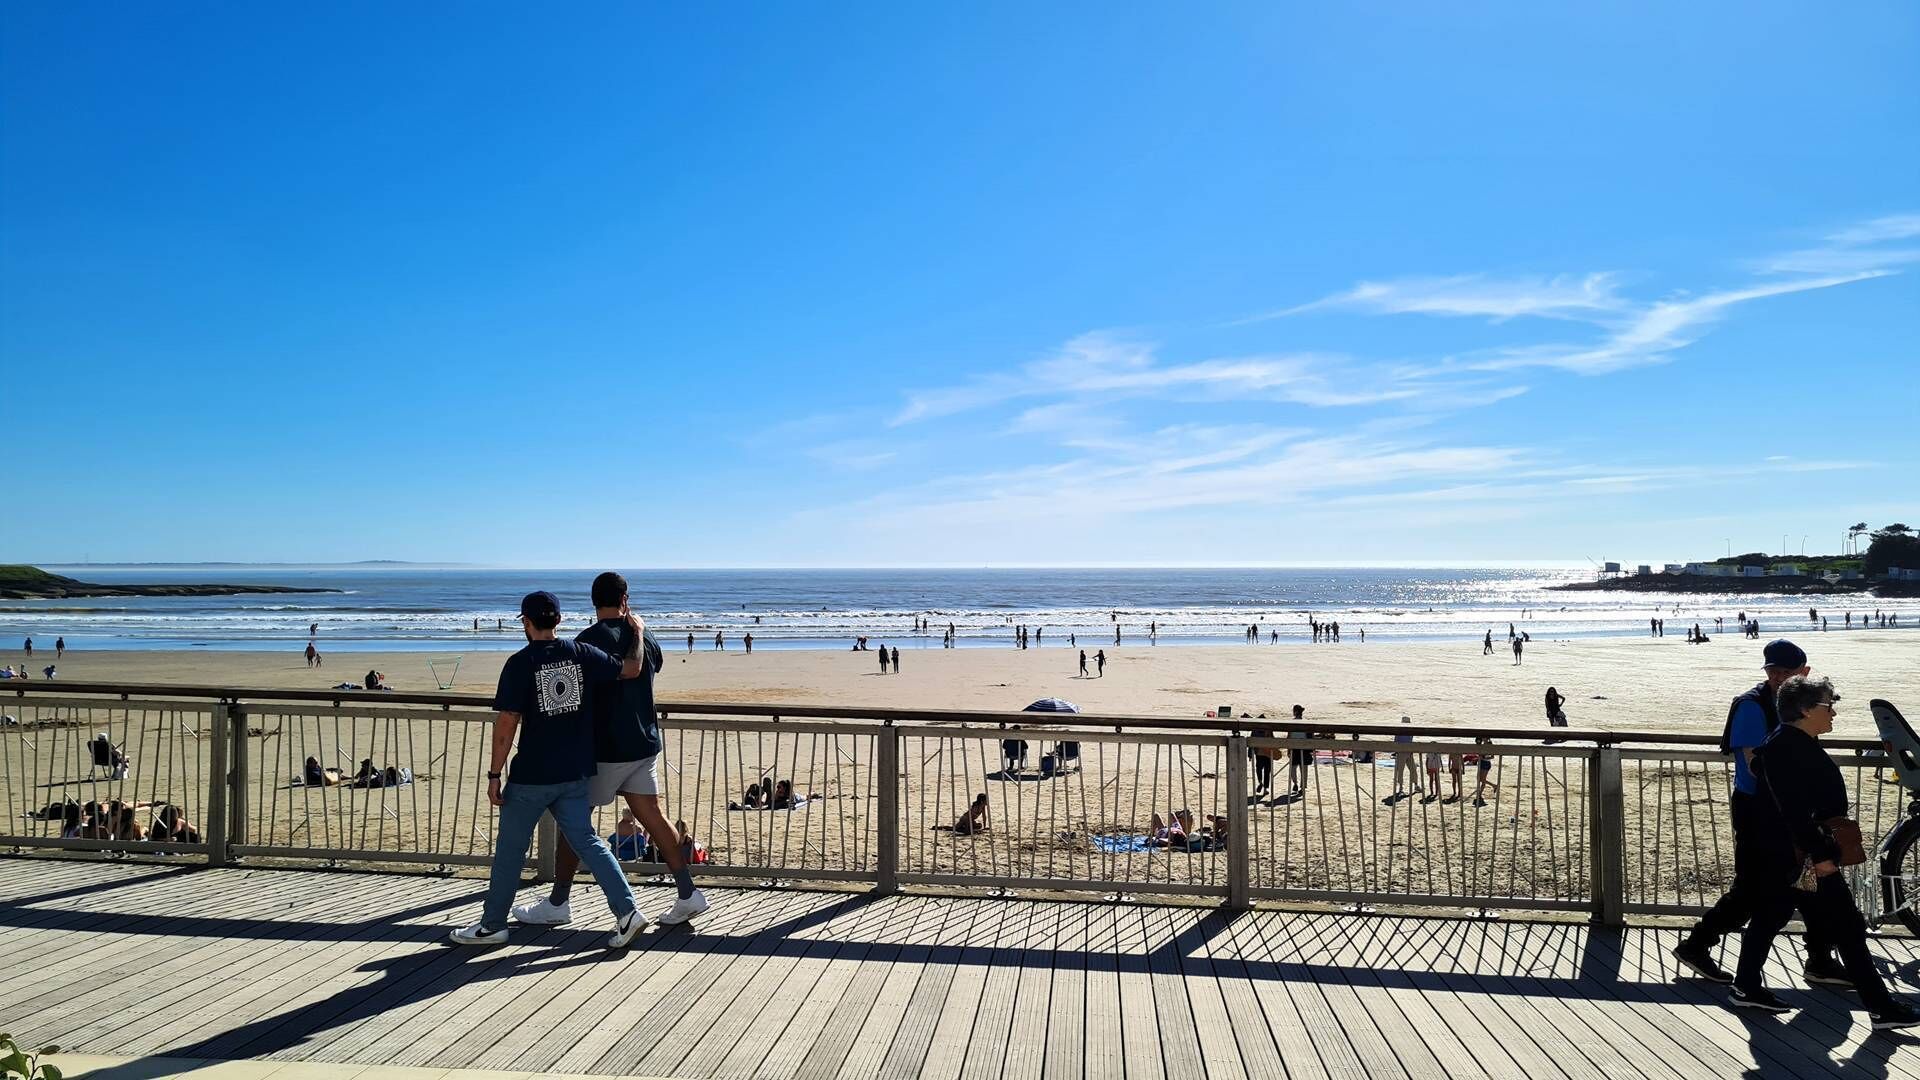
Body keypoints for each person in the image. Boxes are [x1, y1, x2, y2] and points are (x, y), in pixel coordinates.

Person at [450, 590, 650, 948]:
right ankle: (627, 911)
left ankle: (493, 924)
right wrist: (636, 630)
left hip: (532, 774)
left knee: (511, 849)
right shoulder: (581, 653)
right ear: (558, 620)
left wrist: (494, 774)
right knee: (588, 842)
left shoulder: (519, 663)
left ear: (526, 623)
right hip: (575, 772)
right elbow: (632, 669)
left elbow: (507, 722)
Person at [511, 573, 707, 928]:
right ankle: (687, 893)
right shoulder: (644, 635)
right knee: (653, 817)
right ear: (625, 598)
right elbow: (652, 668)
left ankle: (559, 902)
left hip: (603, 749)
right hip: (644, 741)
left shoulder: (586, 641)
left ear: (592, 601)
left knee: (575, 824)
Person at [1736, 676, 1920, 1028]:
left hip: (1786, 853)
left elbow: (1766, 776)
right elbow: (1792, 809)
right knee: (1848, 927)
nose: (1833, 711)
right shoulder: (1786, 747)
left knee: (1770, 916)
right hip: (1803, 854)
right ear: (1805, 709)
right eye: (1827, 704)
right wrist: (1821, 855)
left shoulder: (1788, 741)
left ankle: (1745, 987)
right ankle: (1881, 1007)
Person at [1673, 639, 1840, 988]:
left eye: (1787, 672)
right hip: (1759, 812)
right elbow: (1754, 766)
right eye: (1773, 671)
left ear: (1804, 673)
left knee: (1808, 885)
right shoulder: (1751, 705)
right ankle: (1697, 946)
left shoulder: (1802, 702)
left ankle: (1820, 959)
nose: (1779, 677)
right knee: (1753, 890)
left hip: (1788, 811)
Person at [1392, 716, 1422, 798]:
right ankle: (1401, 789)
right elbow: (1396, 741)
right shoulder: (1399, 731)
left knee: (1413, 769)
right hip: (1401, 752)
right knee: (1400, 771)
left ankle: (1416, 785)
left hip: (1408, 752)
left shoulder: (1409, 731)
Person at [1471, 738, 1499, 807]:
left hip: (1486, 763)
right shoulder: (1482, 744)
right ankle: (1493, 786)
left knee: (1482, 780)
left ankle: (1480, 794)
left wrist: (1483, 758)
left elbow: (1492, 756)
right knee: (1479, 779)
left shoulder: (1490, 744)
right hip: (1482, 762)